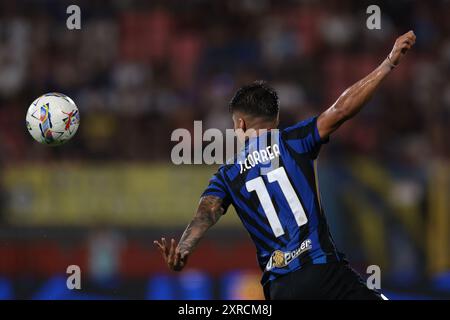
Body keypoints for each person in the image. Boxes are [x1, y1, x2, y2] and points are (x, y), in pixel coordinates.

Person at [154, 31, 416, 299]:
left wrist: (184, 249)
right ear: (275, 119)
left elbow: (206, 213)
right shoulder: (295, 141)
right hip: (322, 271)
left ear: (240, 124)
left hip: (280, 289)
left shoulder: (227, 174)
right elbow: (341, 109)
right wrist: (388, 63)